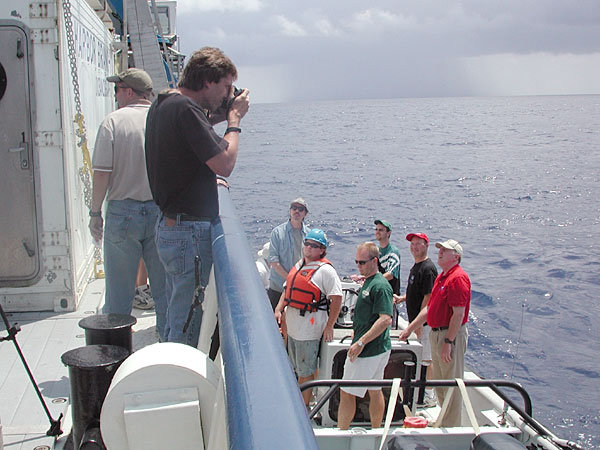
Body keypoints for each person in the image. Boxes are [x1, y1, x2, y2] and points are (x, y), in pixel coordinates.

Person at [145, 47, 250, 346]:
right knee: (187, 319)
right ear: (208, 81)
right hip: (187, 235)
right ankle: (176, 380)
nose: (227, 93)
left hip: (171, 227)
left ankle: (169, 364)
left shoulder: (166, 102)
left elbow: (195, 134)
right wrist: (234, 120)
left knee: (174, 313)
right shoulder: (186, 110)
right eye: (226, 86)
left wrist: (226, 109)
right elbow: (224, 163)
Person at [89, 68, 167, 339]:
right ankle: (169, 345)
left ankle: (115, 351)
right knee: (164, 289)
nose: (115, 94)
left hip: (123, 213)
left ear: (129, 91)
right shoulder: (162, 120)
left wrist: (95, 212)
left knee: (119, 293)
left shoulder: (113, 122)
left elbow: (102, 172)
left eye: (117, 89)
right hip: (160, 212)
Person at [399, 239, 470, 427]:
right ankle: (444, 419)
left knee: (451, 381)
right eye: (440, 249)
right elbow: (429, 308)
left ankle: (451, 425)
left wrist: (448, 341)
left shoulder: (458, 278)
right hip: (436, 333)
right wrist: (410, 328)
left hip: (448, 335)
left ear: (456, 256)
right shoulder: (442, 277)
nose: (440, 252)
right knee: (440, 379)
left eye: (445, 250)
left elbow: (458, 314)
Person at [274, 229, 342, 407]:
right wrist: (279, 308)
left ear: (322, 250)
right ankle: (298, 399)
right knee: (295, 367)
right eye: (307, 243)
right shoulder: (300, 265)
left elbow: (337, 298)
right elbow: (287, 289)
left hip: (308, 331)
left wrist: (329, 326)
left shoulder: (326, 271)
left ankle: (302, 409)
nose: (309, 248)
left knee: (306, 371)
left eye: (315, 246)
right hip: (292, 327)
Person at [337, 242, 393, 430]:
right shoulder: (368, 282)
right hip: (376, 348)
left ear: (374, 261)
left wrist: (360, 342)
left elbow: (385, 319)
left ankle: (342, 433)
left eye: (362, 262)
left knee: (346, 392)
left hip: (368, 351)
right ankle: (376, 430)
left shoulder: (380, 286)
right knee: (375, 390)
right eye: (356, 262)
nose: (358, 266)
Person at [394, 232, 438, 406]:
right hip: (418, 321)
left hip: (425, 324)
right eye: (412, 244)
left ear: (427, 246)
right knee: (422, 358)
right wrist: (403, 298)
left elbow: (428, 301)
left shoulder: (428, 269)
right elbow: (416, 292)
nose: (415, 247)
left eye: (418, 244)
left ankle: (429, 395)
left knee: (427, 360)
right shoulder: (416, 267)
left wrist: (415, 326)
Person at [267, 198, 310, 310]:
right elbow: (274, 261)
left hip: (298, 289)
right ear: (290, 211)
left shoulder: (310, 235)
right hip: (278, 287)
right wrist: (290, 278)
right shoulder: (277, 232)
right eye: (294, 208)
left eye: (300, 209)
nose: (297, 211)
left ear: (305, 214)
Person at [374, 220, 401, 295]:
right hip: (378, 293)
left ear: (388, 233)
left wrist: (371, 281)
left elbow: (390, 275)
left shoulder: (393, 252)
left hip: (389, 295)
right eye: (376, 229)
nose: (377, 232)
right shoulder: (376, 250)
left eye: (381, 230)